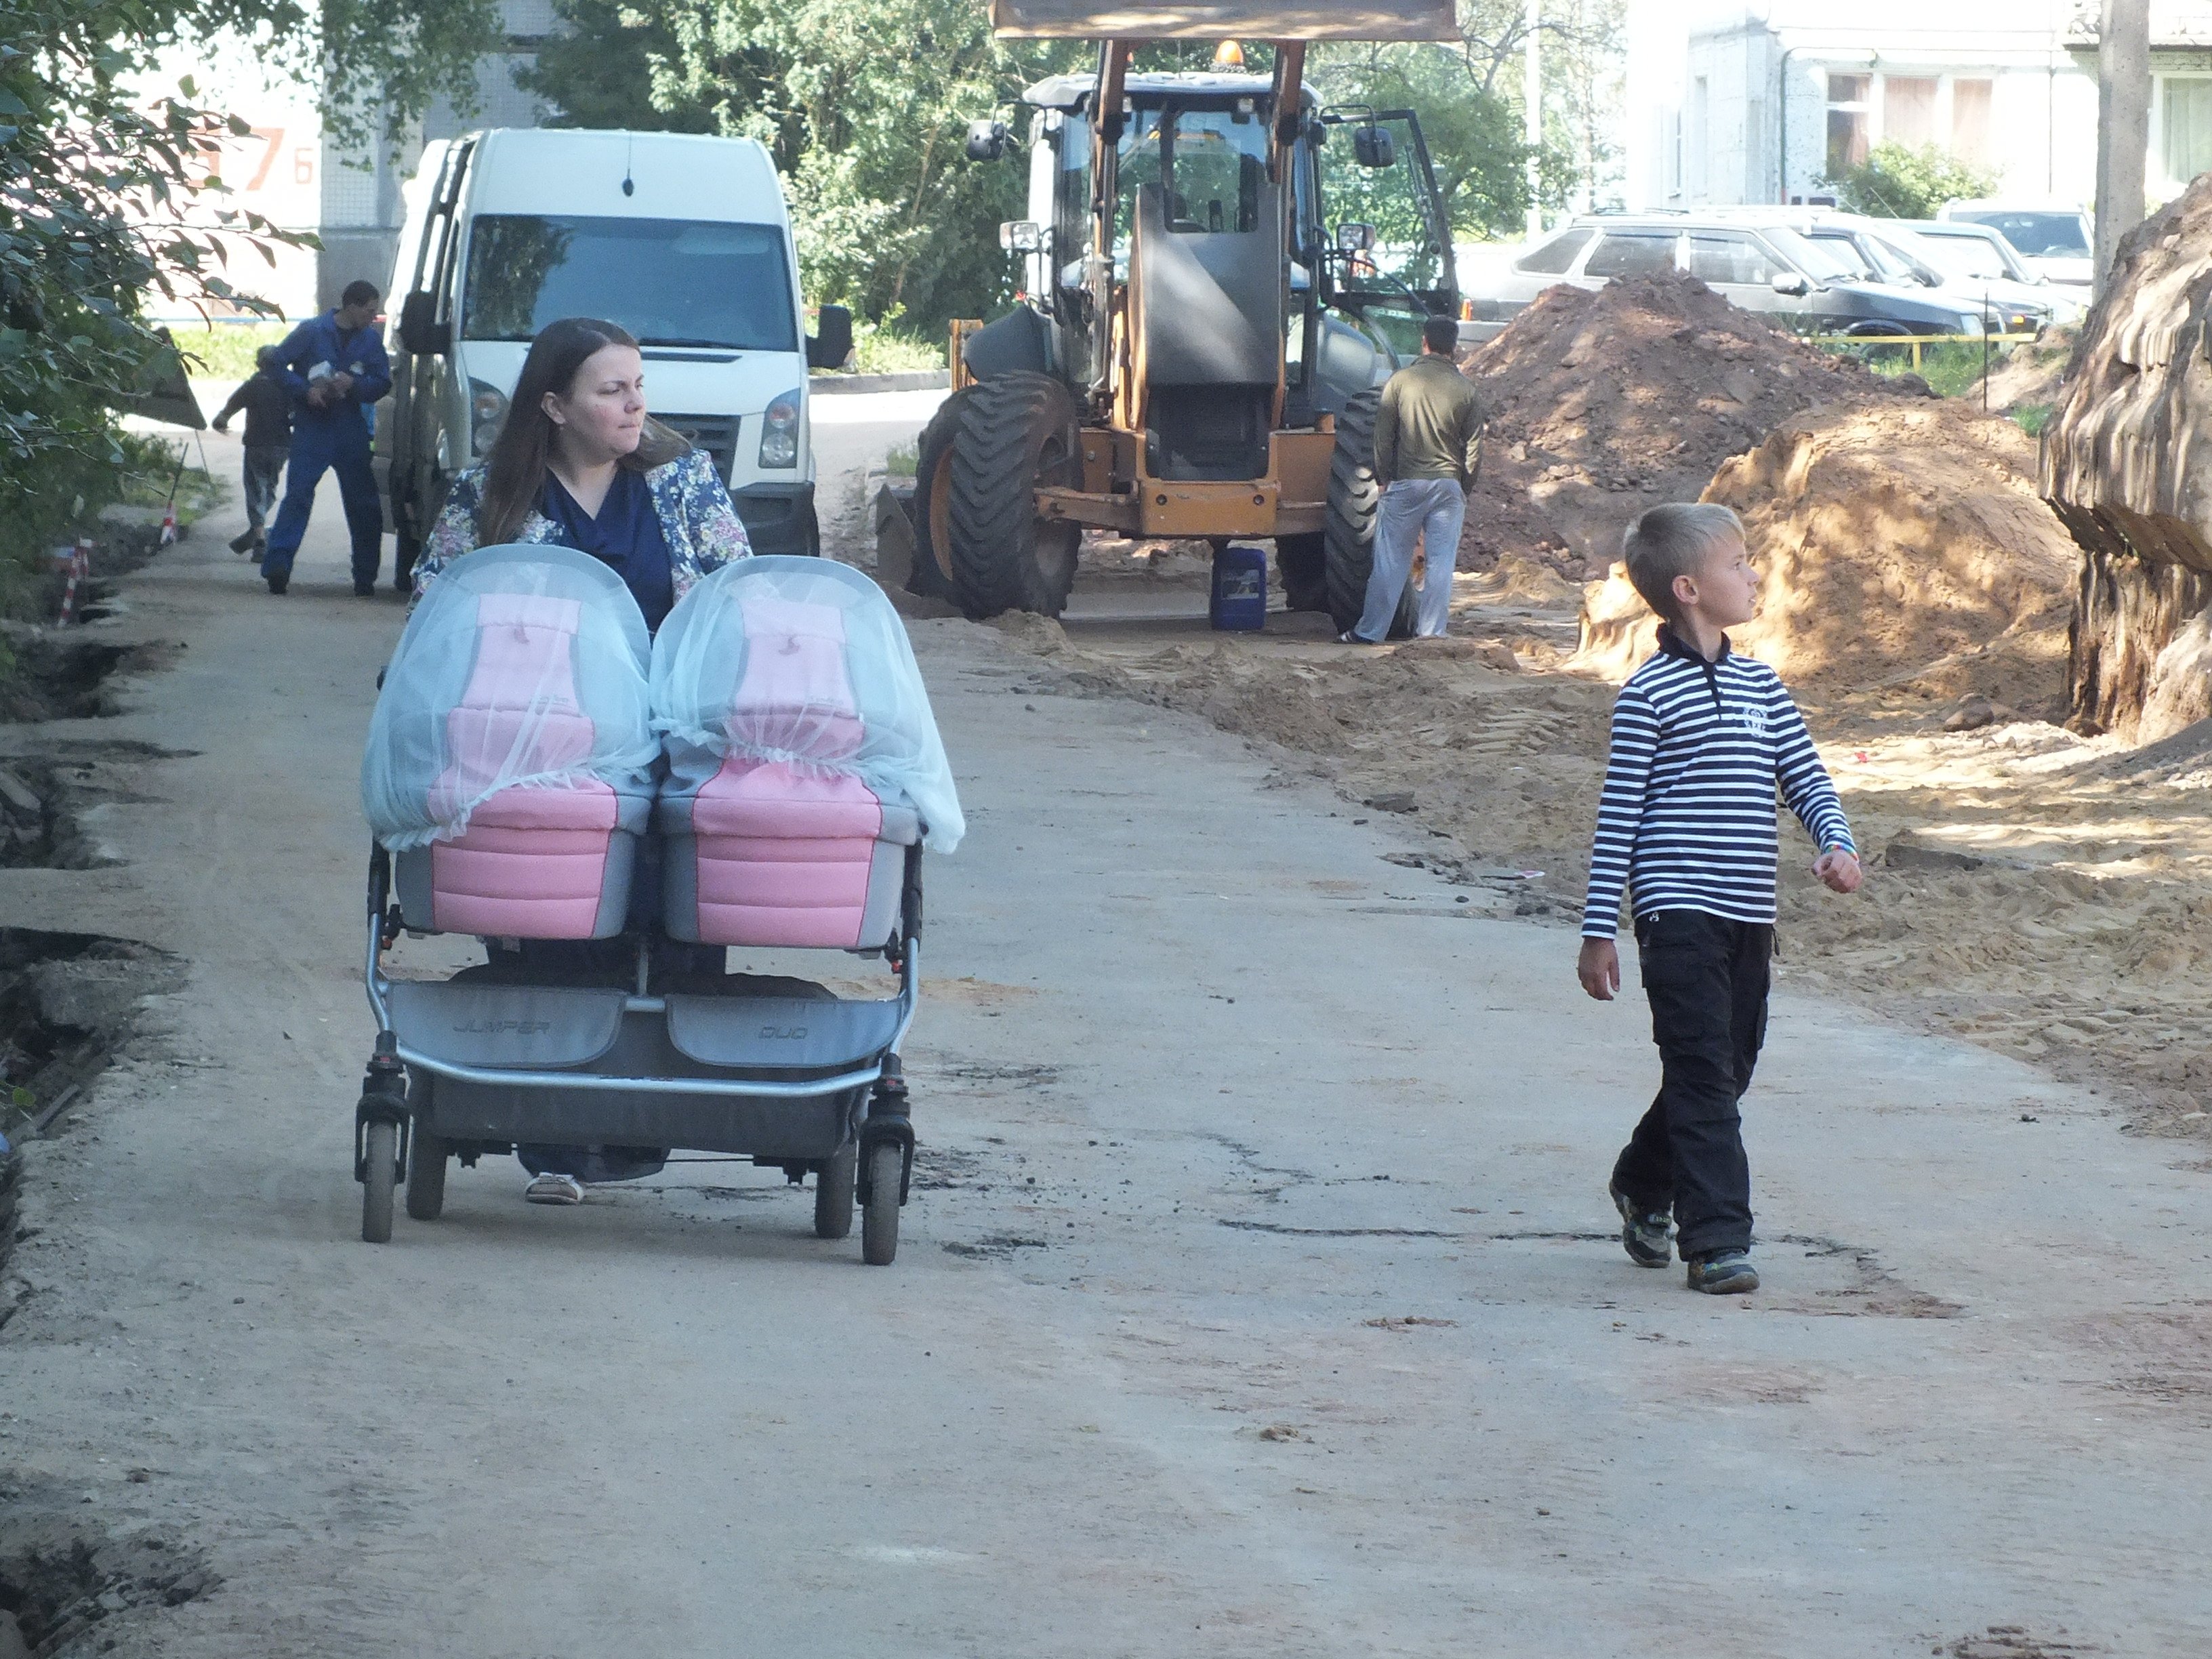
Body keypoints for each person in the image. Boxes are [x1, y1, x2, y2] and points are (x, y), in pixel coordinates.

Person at [415, 314, 753, 1205]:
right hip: (548, 749)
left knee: (673, 918)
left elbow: (734, 591)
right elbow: (436, 601)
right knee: (563, 920)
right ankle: (557, 1130)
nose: (635, 402)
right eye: (612, 388)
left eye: (639, 385)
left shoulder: (682, 482)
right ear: (557, 405)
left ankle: (658, 1110)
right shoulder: (489, 491)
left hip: (668, 739)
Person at [1574, 503, 1862, 1296]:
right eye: (1741, 564)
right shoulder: (1647, 696)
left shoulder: (1762, 687)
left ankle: (1641, 1177)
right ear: (1690, 588)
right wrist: (1601, 931)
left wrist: (1837, 844)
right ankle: (1717, 1242)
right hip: (1675, 912)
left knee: (1728, 1068)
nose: (1755, 575)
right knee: (1702, 1074)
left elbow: (1805, 777)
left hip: (1749, 916)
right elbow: (1618, 817)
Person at [1342, 314, 1483, 644]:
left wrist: (1383, 478)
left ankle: (1370, 632)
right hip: (1448, 486)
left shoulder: (1400, 382)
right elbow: (1475, 448)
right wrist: (1464, 487)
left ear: (1424, 341)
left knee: (1390, 562)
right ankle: (1432, 635)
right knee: (1441, 563)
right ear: (1455, 347)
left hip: (1406, 484)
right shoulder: (1467, 390)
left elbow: (1383, 437)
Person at [260, 280, 392, 597]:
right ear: (352, 307)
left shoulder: (370, 342)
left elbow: (383, 382)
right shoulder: (312, 331)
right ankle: (278, 567)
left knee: (363, 503)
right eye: (370, 311)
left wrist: (354, 385)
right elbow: (275, 363)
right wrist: (306, 391)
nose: (374, 318)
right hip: (313, 426)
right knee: (298, 496)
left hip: (350, 428)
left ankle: (365, 576)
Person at [210, 345, 291, 556]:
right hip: (282, 446)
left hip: (257, 445)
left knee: (256, 491)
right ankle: (257, 533)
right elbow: (298, 414)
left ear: (258, 364)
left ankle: (259, 541)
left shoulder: (253, 386)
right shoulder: (288, 386)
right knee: (269, 490)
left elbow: (229, 409)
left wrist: (221, 420)